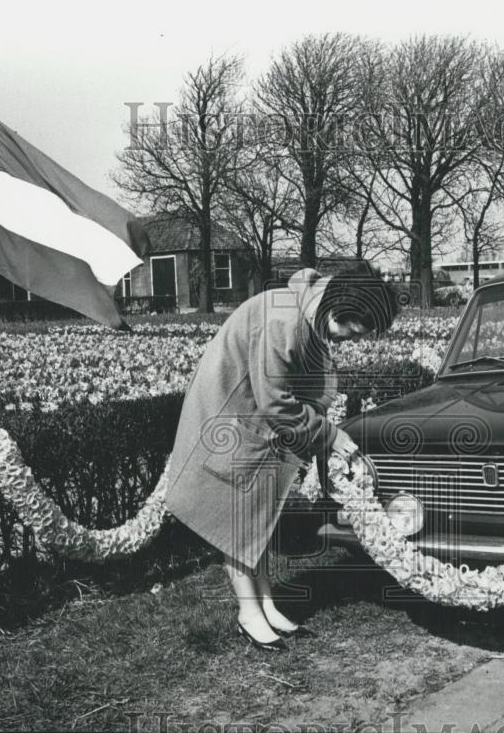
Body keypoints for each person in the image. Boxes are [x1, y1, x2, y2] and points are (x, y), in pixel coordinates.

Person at [164, 265, 397, 652]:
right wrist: (329, 435)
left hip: (251, 418)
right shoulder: (284, 322)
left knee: (256, 513)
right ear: (341, 303)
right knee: (236, 516)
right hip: (230, 416)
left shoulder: (310, 310)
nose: (351, 338)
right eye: (352, 328)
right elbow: (278, 405)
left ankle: (265, 603)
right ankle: (248, 611)